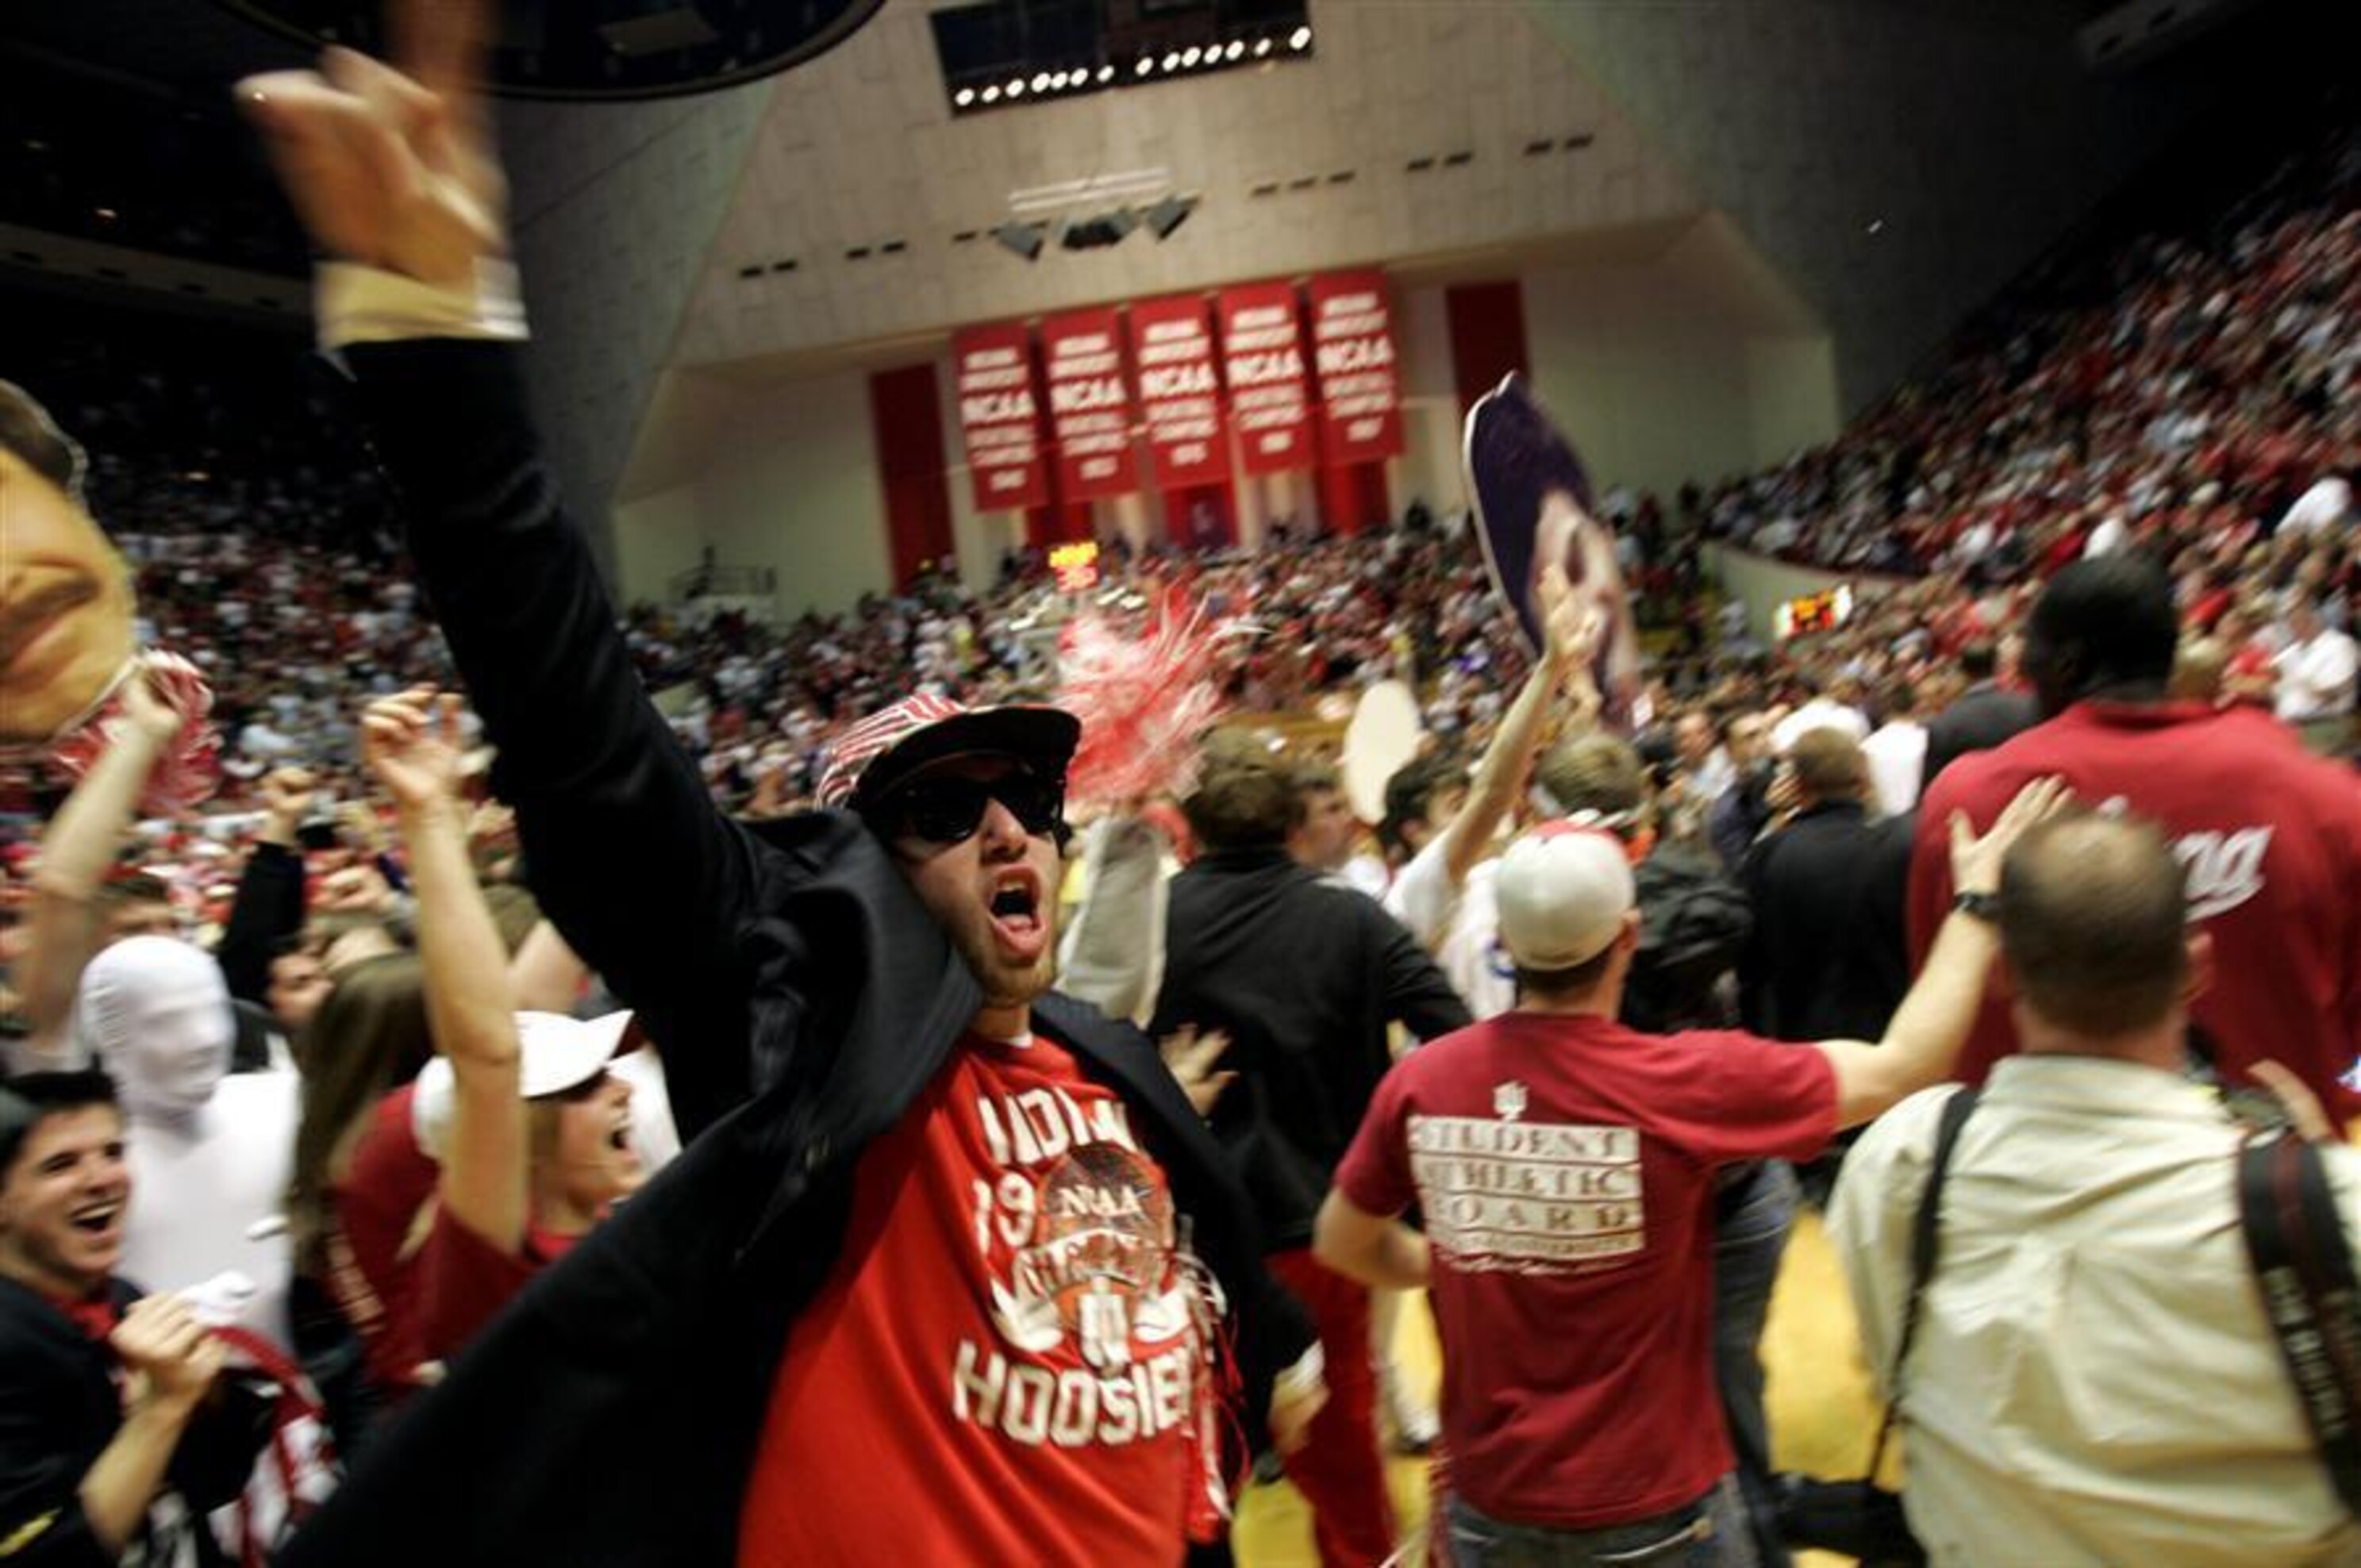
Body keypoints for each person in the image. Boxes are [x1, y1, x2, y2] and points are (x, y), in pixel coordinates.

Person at [237, 20, 1316, 1564]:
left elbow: (1209, 1273)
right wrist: (440, 354)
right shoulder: (805, 1036)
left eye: (1023, 792)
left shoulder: (1096, 1050)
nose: (1005, 820)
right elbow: (589, 752)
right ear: (858, 872)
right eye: (944, 806)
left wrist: (1273, 1349)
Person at [1313, 779, 2063, 1565]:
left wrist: (1455, 1258)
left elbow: (1343, 1240)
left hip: (1489, 1502)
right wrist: (1975, 901)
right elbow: (1904, 1064)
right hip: (1655, 1506)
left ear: (1503, 936)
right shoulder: (1682, 1080)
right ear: (1627, 936)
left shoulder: (1424, 1080)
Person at [1833, 812, 2361, 1563]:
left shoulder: (1903, 1160)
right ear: (2196, 967)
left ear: (2004, 974)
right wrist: (2309, 1185)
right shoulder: (2329, 1210)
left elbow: (1897, 1374)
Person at [1149, 747, 1471, 1565]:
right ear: (1294, 829)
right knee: (1340, 1451)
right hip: (1323, 1225)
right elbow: (1456, 1031)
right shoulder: (1350, 916)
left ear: (1189, 834)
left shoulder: (1153, 919)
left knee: (1193, 1456)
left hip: (1189, 1235)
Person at [1911, 553, 2361, 1125]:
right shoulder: (2322, 794)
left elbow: (1942, 1008)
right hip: (2276, 1183)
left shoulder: (1968, 805)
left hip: (2030, 1177)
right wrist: (2338, 1089)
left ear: (2067, 662)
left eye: (2030, 659)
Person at [0, 1070, 270, 1566]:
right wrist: (160, 1410)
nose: (104, 1179)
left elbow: (219, 1482)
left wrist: (204, 1391)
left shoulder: (121, 1300)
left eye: (113, 1152)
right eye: (61, 1164)